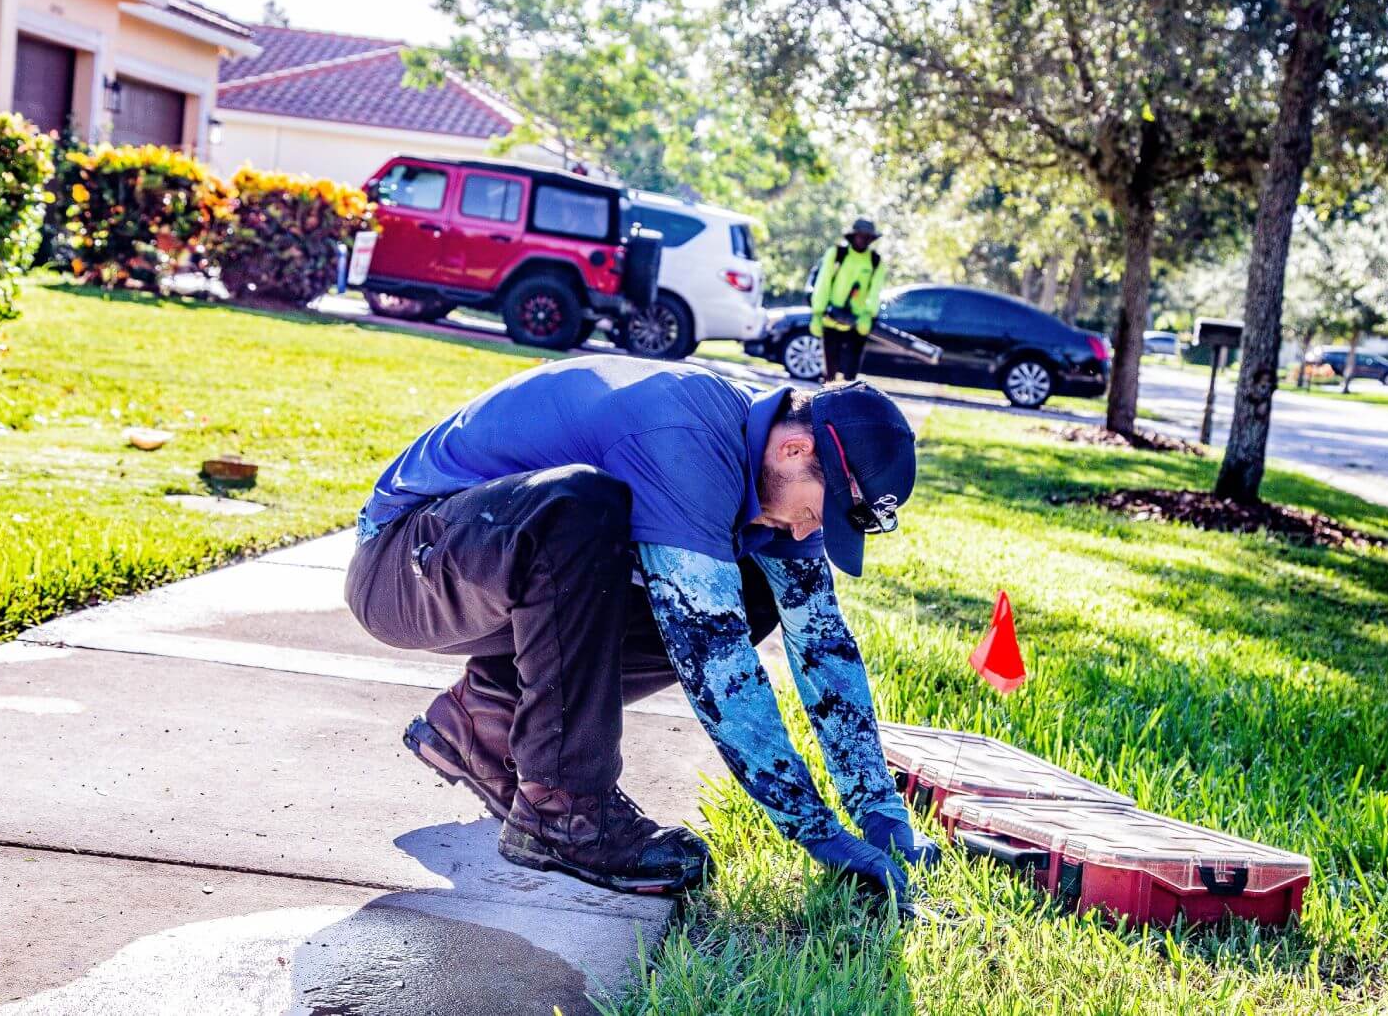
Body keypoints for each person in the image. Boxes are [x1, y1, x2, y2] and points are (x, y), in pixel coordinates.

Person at [345, 356, 941, 901]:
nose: (813, 531)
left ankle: (489, 721)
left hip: (492, 574)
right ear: (793, 451)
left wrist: (880, 816)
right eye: (823, 510)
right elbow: (714, 659)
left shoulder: (777, 474)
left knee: (759, 589)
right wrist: (816, 833)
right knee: (580, 509)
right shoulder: (684, 437)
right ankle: (566, 811)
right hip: (403, 565)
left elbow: (822, 645)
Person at [810, 218, 888, 382]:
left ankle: (847, 402)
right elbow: (823, 283)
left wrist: (868, 315)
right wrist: (817, 313)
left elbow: (875, 292)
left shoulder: (876, 261)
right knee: (829, 373)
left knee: (850, 375)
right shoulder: (837, 253)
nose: (863, 240)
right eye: (860, 236)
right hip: (831, 318)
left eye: (867, 237)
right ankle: (827, 401)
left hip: (857, 323)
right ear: (853, 236)